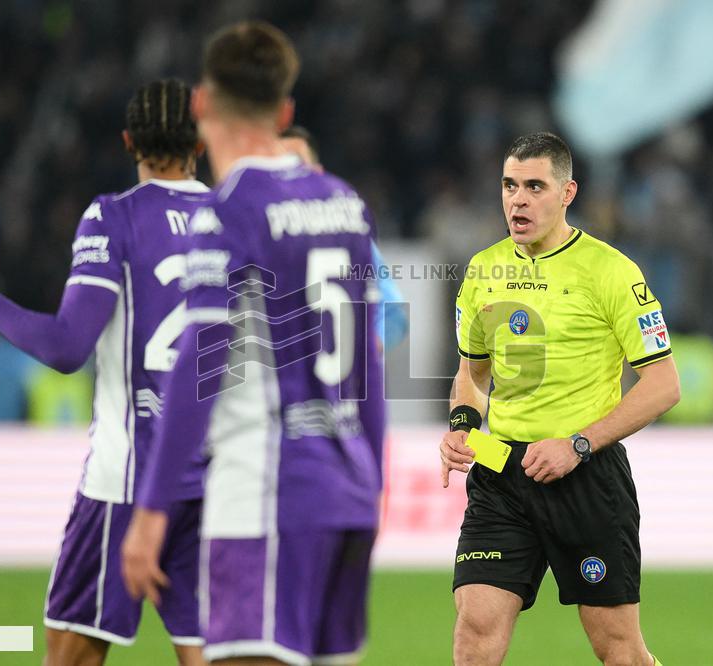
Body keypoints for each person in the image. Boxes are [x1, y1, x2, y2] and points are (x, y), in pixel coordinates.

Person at [121, 22, 385, 666]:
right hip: (346, 494)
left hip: (267, 494)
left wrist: (152, 509)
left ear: (202, 105)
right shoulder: (344, 203)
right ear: (285, 110)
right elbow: (370, 365)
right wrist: (371, 482)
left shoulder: (230, 209)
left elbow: (200, 366)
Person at [0, 79, 209, 666]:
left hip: (127, 482)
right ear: (199, 144)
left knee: (71, 657)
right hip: (215, 483)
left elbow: (66, 346)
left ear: (129, 141)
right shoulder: (237, 224)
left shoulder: (114, 218)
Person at [438, 132, 679, 666]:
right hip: (501, 473)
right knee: (476, 626)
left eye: (534, 186)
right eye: (508, 185)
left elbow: (664, 384)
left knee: (618, 649)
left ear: (567, 192)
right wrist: (461, 423)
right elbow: (472, 376)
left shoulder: (612, 271)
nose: (517, 200)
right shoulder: (483, 270)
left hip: (586, 477)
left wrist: (578, 444)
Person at [280, 125, 410, 352]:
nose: (290, 175)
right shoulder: (258, 232)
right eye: (281, 164)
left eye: (297, 163)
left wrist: (359, 360)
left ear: (318, 171)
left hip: (338, 383)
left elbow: (392, 314)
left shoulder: (348, 232)